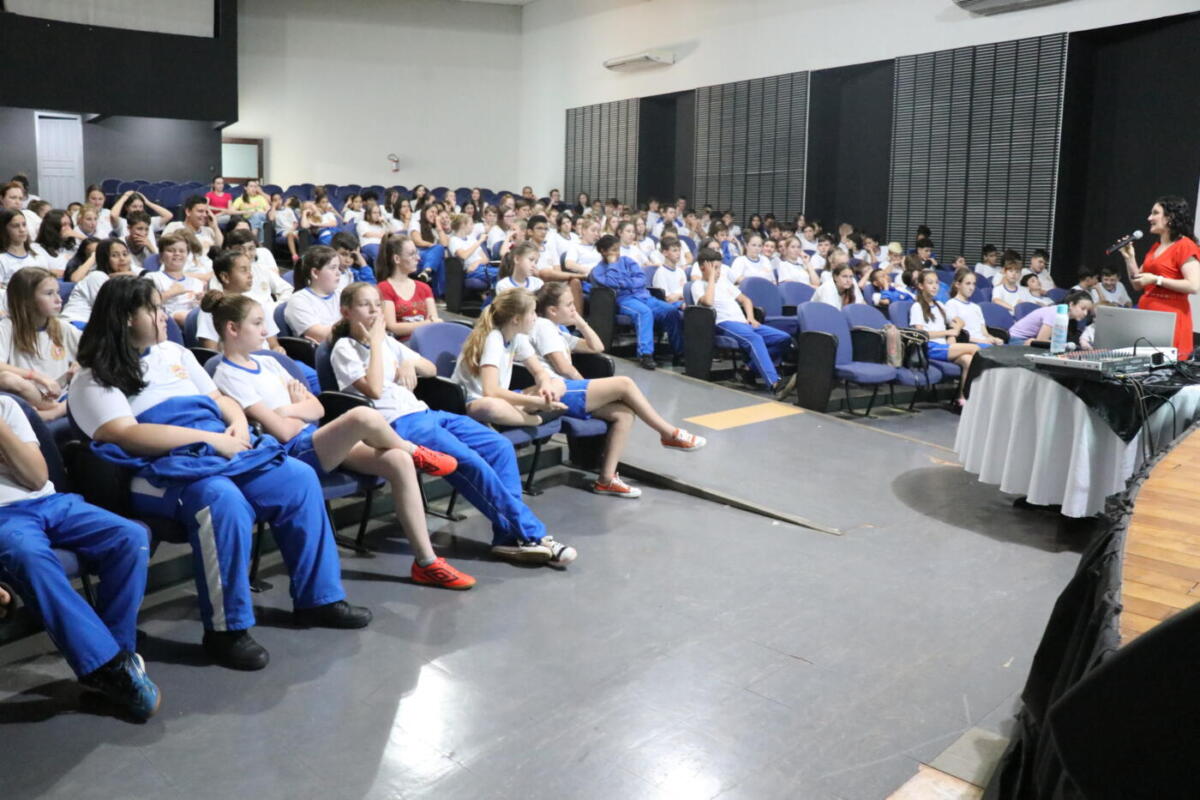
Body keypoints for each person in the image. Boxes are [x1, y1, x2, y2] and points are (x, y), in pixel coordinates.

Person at [68, 276, 371, 671]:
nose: (164, 317)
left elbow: (219, 399)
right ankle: (227, 630)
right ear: (126, 318)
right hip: (153, 471)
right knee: (219, 499)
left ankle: (320, 599)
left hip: (216, 449)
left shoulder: (175, 352)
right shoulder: (93, 377)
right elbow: (127, 435)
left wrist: (238, 425)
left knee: (296, 478)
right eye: (154, 309)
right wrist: (209, 439)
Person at [207, 291, 473, 589]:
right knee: (362, 416)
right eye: (257, 323)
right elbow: (280, 433)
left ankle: (426, 562)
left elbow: (317, 408)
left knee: (397, 460)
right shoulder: (226, 375)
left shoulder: (269, 363)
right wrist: (294, 412)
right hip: (289, 455)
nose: (265, 330)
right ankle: (416, 451)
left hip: (314, 439)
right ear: (233, 329)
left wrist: (285, 411)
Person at [329, 282, 577, 567]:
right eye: (365, 305)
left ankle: (507, 538)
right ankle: (534, 535)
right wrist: (374, 343)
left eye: (377, 304)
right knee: (471, 462)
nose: (374, 311)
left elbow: (431, 368)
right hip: (397, 425)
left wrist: (408, 364)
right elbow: (373, 389)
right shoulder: (344, 349)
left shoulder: (387, 342)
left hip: (426, 413)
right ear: (346, 312)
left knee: (499, 446)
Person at [0, 393, 160, 720]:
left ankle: (113, 658)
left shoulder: (6, 406)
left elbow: (36, 477)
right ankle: (111, 669)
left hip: (49, 502)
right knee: (29, 556)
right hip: (5, 518)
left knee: (130, 537)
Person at [530, 283, 705, 496]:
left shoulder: (557, 330)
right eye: (569, 305)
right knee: (625, 384)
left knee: (624, 414)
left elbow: (597, 347)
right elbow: (563, 367)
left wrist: (580, 322)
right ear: (552, 310)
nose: (574, 308)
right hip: (556, 392)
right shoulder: (544, 326)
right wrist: (586, 385)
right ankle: (669, 433)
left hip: (569, 391)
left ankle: (606, 480)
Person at [693, 247, 793, 396]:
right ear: (703, 268)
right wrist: (712, 278)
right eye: (715, 268)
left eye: (719, 268)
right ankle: (774, 383)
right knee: (755, 339)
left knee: (783, 338)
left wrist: (750, 318)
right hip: (724, 323)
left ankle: (748, 369)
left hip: (743, 323)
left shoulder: (724, 282)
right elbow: (708, 302)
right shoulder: (697, 285)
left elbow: (746, 300)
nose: (718, 272)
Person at [591, 234, 683, 370]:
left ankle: (679, 353)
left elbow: (641, 278)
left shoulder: (627, 261)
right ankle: (645, 354)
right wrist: (612, 264)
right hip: (624, 300)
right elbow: (611, 283)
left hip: (643, 295)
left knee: (671, 311)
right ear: (603, 252)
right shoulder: (598, 271)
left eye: (618, 249)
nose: (617, 253)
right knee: (644, 313)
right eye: (613, 250)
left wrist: (623, 283)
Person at [0, 267, 79, 421]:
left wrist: (80, 363)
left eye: (57, 292)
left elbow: (94, 351)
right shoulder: (7, 327)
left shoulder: (62, 327)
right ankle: (57, 410)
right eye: (49, 294)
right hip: (29, 399)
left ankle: (55, 411)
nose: (58, 299)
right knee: (7, 378)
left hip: (62, 395)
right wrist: (36, 376)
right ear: (27, 300)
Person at [910, 269, 978, 408]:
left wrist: (953, 334)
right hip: (931, 347)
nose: (934, 286)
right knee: (975, 348)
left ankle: (962, 400)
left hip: (944, 347)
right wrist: (947, 332)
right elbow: (921, 334)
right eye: (930, 283)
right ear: (921, 286)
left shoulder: (940, 305)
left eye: (936, 283)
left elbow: (959, 322)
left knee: (968, 360)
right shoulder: (917, 307)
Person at [375, 234, 440, 340]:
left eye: (417, 253)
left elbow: (434, 320)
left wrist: (431, 322)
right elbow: (392, 327)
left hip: (425, 341)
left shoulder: (424, 287)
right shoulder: (384, 288)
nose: (418, 258)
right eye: (411, 254)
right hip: (399, 344)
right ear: (397, 259)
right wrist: (428, 323)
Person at [63, 239, 135, 328]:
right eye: (114, 255)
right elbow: (108, 311)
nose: (122, 258)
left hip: (97, 326)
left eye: (125, 254)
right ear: (104, 259)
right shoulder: (97, 276)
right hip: (76, 323)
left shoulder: (130, 275)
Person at [147, 232, 205, 327]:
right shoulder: (153, 277)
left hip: (196, 318)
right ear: (161, 255)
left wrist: (202, 301)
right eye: (171, 250)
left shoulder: (197, 283)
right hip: (168, 320)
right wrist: (171, 293)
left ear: (187, 255)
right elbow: (146, 304)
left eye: (182, 251)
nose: (177, 254)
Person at [285, 245, 342, 343]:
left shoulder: (340, 294)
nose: (338, 273)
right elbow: (321, 336)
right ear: (315, 273)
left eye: (338, 267)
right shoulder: (298, 301)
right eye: (333, 268)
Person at [0, 208, 52, 312]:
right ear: (4, 229)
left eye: (24, 225)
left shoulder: (37, 255)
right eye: (15, 226)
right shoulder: (2, 259)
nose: (22, 230)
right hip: (14, 308)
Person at [1008, 290, 1094, 345]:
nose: (1085, 313)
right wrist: (1065, 345)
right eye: (1083, 308)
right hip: (1016, 339)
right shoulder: (1055, 313)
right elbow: (1041, 340)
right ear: (1071, 304)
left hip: (1030, 339)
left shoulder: (1069, 319)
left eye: (1088, 310)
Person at [946, 269, 1002, 346]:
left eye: (973, 284)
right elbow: (958, 335)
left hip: (984, 343)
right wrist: (982, 341)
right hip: (969, 345)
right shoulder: (951, 304)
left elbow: (984, 333)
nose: (972, 288)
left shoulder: (976, 307)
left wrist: (994, 339)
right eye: (968, 284)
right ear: (958, 284)